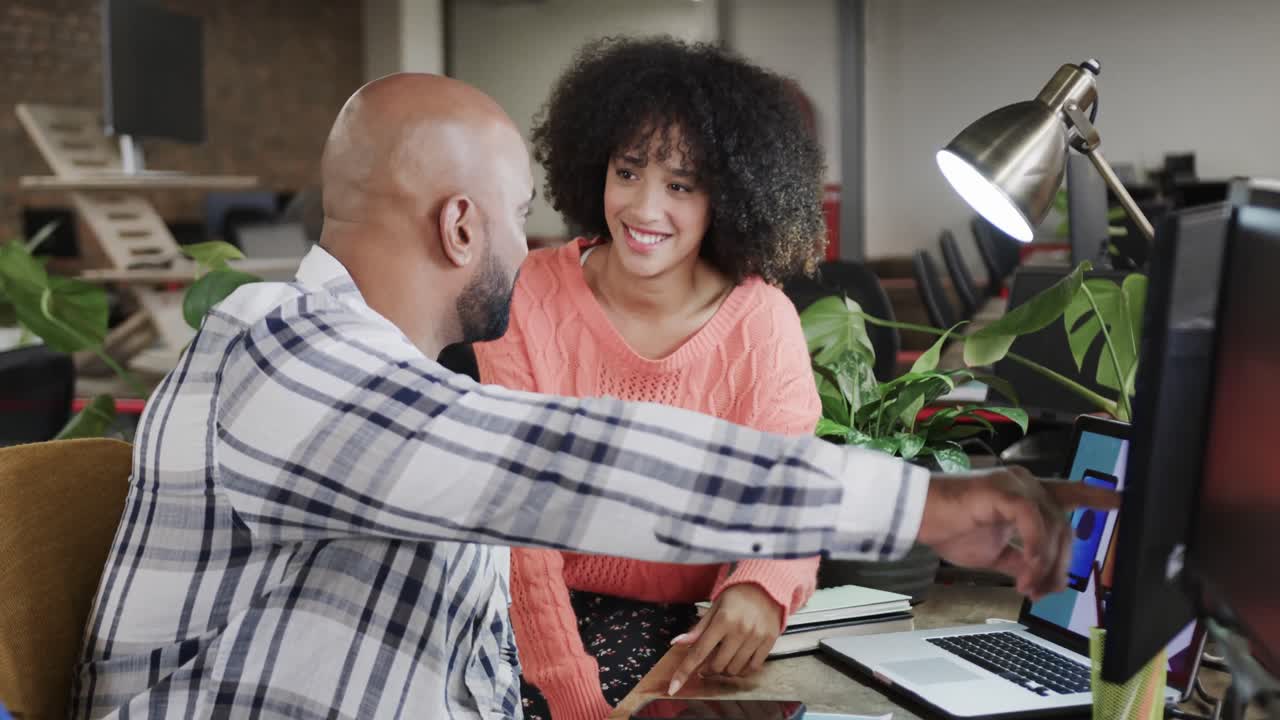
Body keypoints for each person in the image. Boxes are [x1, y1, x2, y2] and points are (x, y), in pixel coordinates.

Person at [72, 73, 1113, 719]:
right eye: (523, 212)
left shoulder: (385, 384)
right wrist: (926, 505)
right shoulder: (281, 355)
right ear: (460, 230)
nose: (559, 236)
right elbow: (560, 465)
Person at [473, 37, 827, 720]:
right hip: (530, 609)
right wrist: (573, 700)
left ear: (728, 198)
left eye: (681, 186)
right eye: (628, 171)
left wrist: (760, 584)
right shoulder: (529, 297)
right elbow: (521, 537)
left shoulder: (762, 321)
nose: (643, 209)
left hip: (687, 623)